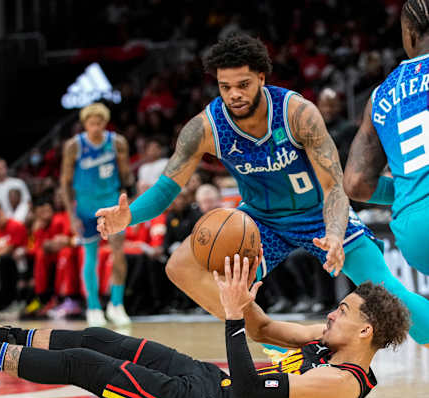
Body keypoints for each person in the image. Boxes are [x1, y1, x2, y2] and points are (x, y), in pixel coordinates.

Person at [96, 33, 429, 347]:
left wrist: (334, 231)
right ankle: (268, 333)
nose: (234, 94)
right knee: (180, 265)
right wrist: (129, 216)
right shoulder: (204, 128)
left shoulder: (297, 113)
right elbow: (167, 189)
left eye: (243, 85)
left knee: (392, 298)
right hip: (261, 221)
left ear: (261, 79)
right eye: (225, 87)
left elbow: (335, 186)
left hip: (318, 214)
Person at [0, 252, 409, 398]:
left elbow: (255, 388)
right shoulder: (324, 344)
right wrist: (235, 286)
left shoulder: (338, 384)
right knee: (100, 338)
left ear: (365, 333)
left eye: (343, 311)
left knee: (87, 365)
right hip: (213, 387)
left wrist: (233, 315)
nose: (331, 314)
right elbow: (259, 331)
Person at [344, 0, 429, 278]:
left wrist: (411, 191)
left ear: (410, 34)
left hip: (415, 230)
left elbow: (355, 184)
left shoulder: (381, 95)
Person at [60, 102, 133, 326]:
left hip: (111, 205)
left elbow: (126, 177)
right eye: (91, 123)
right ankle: (93, 306)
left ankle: (117, 304)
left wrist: (127, 204)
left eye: (99, 122)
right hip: (85, 208)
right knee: (89, 257)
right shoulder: (74, 146)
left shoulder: (117, 142)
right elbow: (65, 182)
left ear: (105, 123)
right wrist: (71, 216)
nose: (96, 127)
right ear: (85, 124)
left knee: (118, 252)